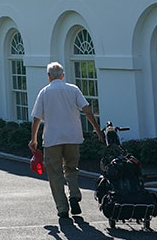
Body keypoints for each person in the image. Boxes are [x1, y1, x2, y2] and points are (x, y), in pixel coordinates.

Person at [29, 61, 104, 221]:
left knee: (55, 174)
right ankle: (74, 196)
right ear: (62, 75)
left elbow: (36, 118)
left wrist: (33, 139)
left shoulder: (44, 92)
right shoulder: (73, 89)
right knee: (72, 168)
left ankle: (63, 208)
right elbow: (87, 110)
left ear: (49, 76)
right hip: (73, 137)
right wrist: (97, 129)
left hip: (52, 138)